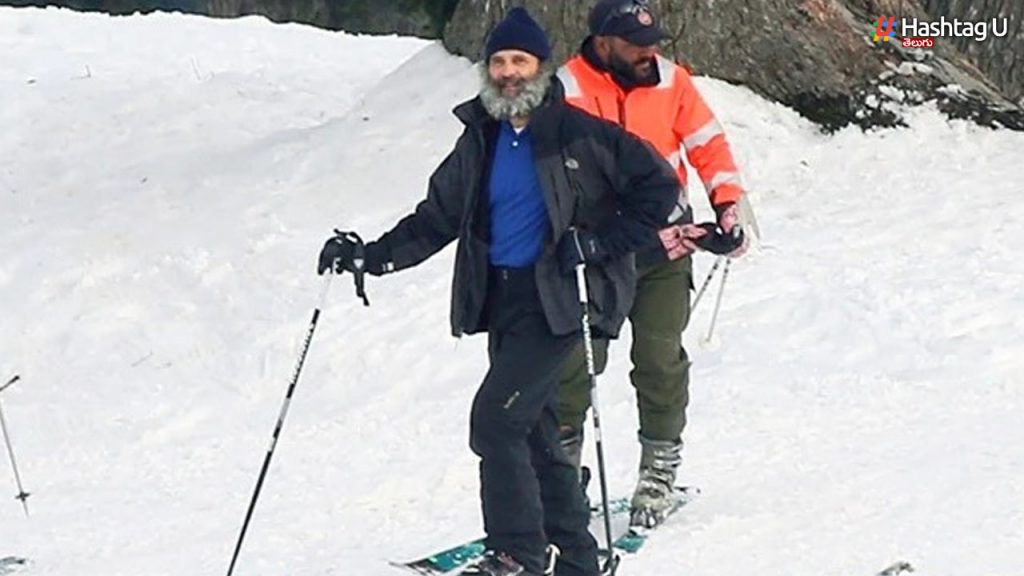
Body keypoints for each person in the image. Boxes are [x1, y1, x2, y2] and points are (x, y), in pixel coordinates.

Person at [317, 8, 679, 576]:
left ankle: (516, 555)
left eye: (521, 61)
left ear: (541, 67)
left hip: (560, 302)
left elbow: (659, 189)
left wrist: (599, 244)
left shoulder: (580, 133)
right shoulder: (480, 139)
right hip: (503, 301)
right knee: (533, 433)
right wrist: (372, 256)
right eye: (500, 61)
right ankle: (578, 559)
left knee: (495, 422)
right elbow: (436, 218)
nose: (509, 72)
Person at [554, 0, 749, 529]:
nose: (650, 52)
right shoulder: (566, 88)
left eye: (654, 41)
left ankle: (659, 468)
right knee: (575, 363)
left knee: (659, 357)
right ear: (602, 43)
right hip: (598, 251)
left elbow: (709, 144)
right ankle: (562, 471)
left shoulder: (671, 81)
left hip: (666, 244)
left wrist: (727, 204)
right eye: (636, 44)